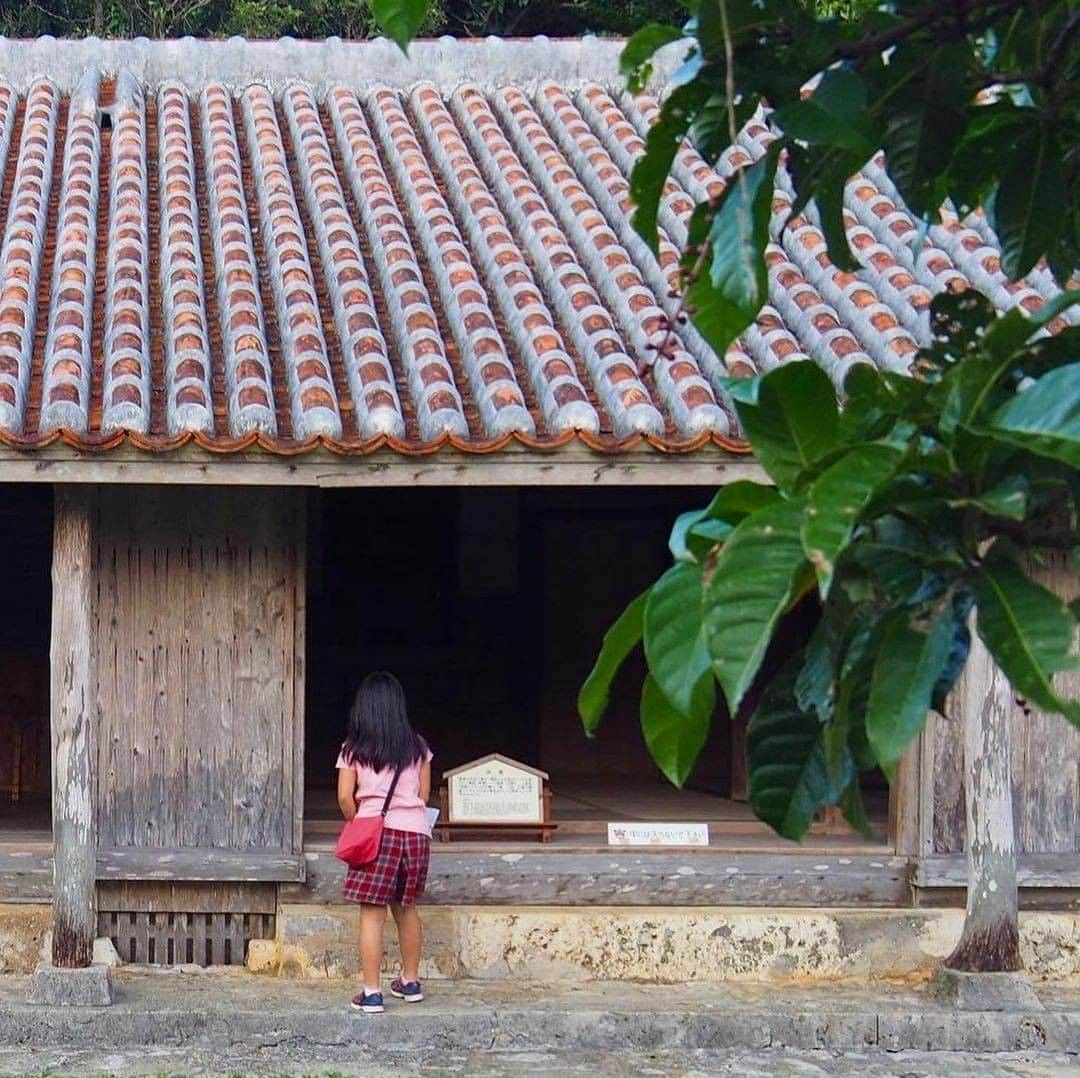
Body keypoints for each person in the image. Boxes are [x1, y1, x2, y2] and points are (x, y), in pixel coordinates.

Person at [336, 671, 433, 1014]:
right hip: (416, 835)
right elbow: (423, 794)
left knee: (372, 914)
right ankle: (410, 983)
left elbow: (345, 798)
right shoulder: (418, 747)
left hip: (377, 835)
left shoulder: (353, 749)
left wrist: (361, 820)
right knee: (405, 909)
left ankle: (372, 992)